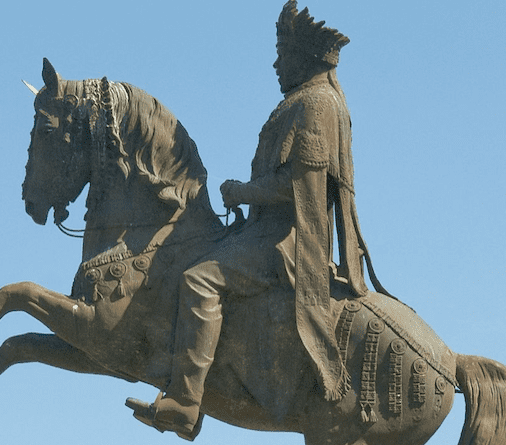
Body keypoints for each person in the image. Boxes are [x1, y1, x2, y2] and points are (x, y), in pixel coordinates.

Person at [131, 1, 388, 438]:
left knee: (198, 279)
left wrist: (241, 192)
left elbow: (299, 187)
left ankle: (186, 402)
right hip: (262, 230)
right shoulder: (306, 101)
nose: (275, 62)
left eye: (282, 53)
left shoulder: (316, 103)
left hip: (284, 240)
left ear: (304, 58)